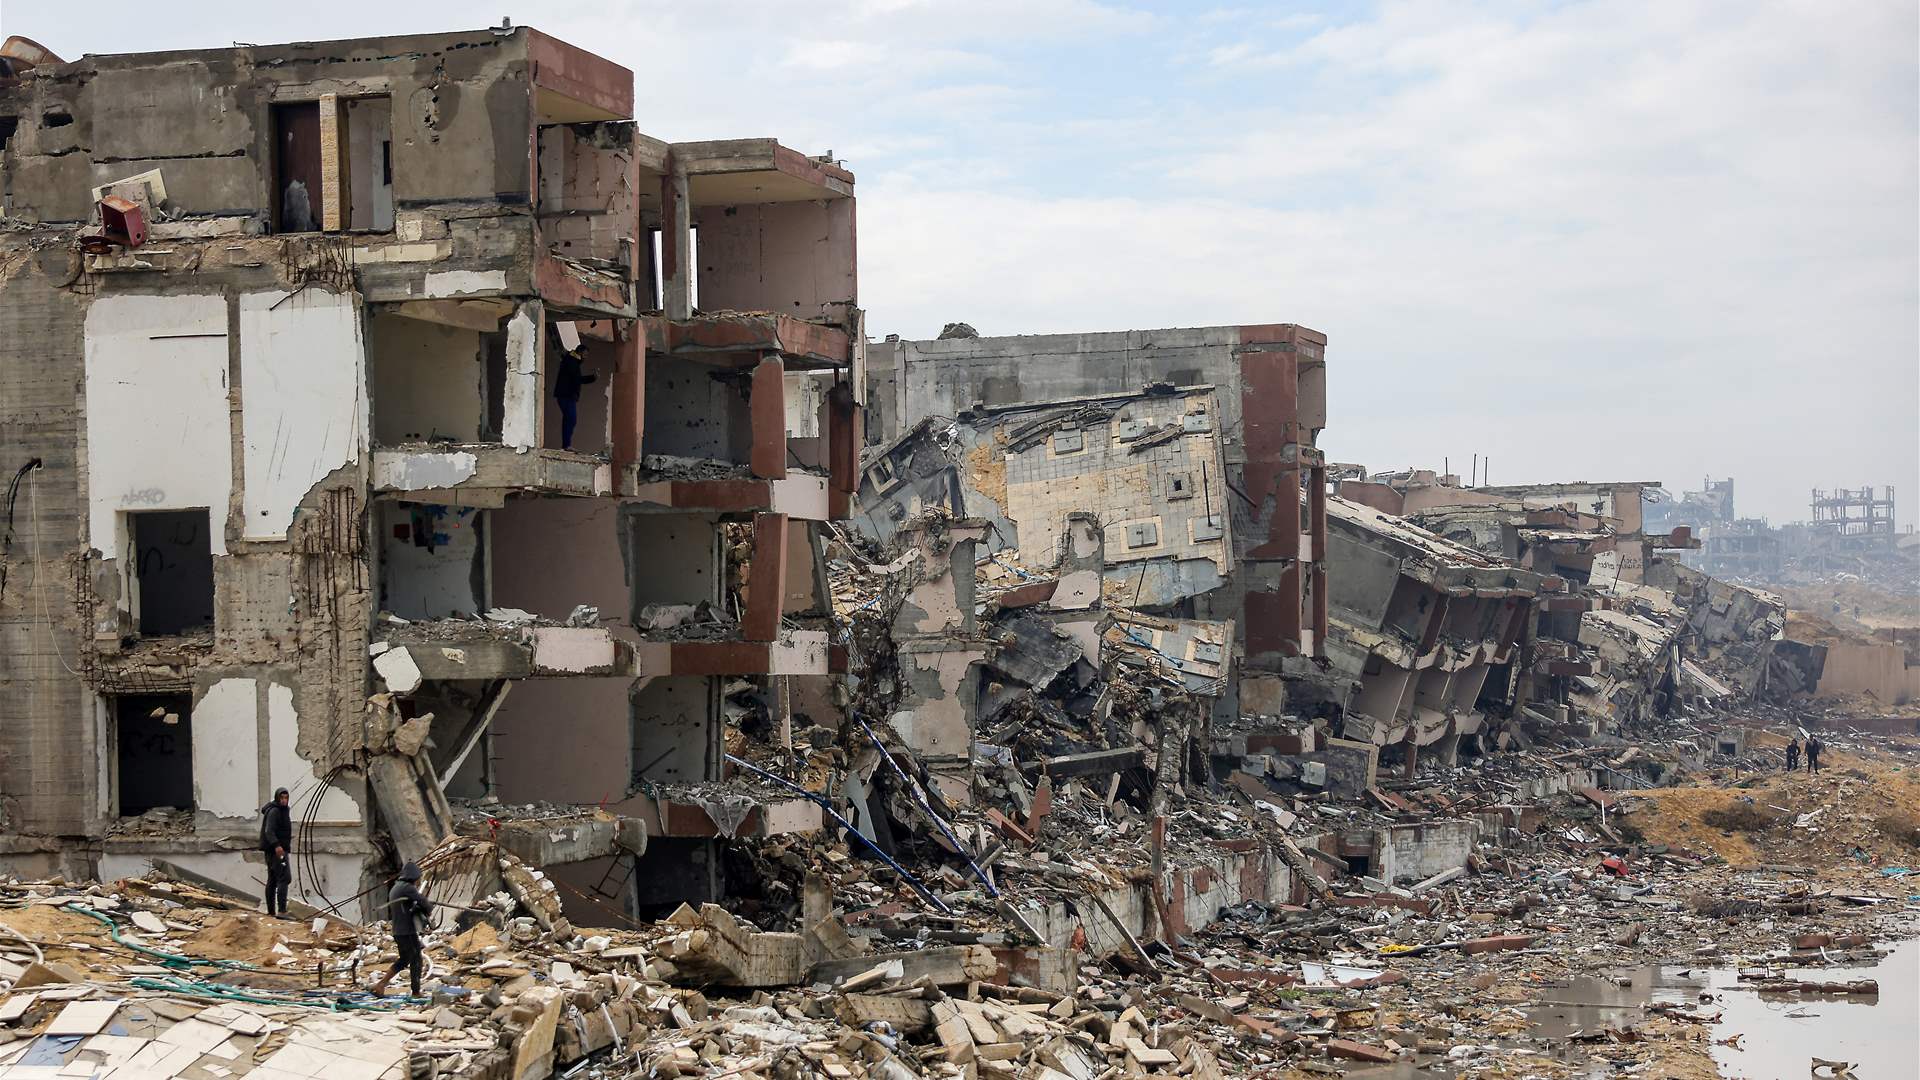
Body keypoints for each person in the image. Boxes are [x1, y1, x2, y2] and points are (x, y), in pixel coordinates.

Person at [372, 862, 436, 998]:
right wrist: (428, 909)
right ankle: (416, 992)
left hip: (398, 931)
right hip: (407, 931)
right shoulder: (407, 888)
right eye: (418, 878)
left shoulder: (396, 887)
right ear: (413, 877)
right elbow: (423, 903)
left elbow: (407, 907)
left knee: (404, 959)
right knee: (416, 960)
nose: (419, 881)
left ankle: (381, 984)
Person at [552, 347, 595, 451]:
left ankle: (566, 445)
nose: (585, 357)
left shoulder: (571, 360)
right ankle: (566, 445)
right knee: (571, 419)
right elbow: (577, 379)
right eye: (585, 355)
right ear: (580, 353)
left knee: (569, 419)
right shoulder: (572, 361)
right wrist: (592, 378)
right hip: (566, 395)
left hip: (566, 395)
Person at [259, 788, 292, 916]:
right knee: (284, 878)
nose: (284, 800)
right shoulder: (275, 811)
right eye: (282, 798)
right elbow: (269, 831)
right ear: (277, 798)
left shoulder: (282, 810)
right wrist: (277, 846)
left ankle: (271, 912)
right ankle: (282, 911)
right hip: (277, 852)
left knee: (273, 880)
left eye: (286, 798)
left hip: (276, 851)